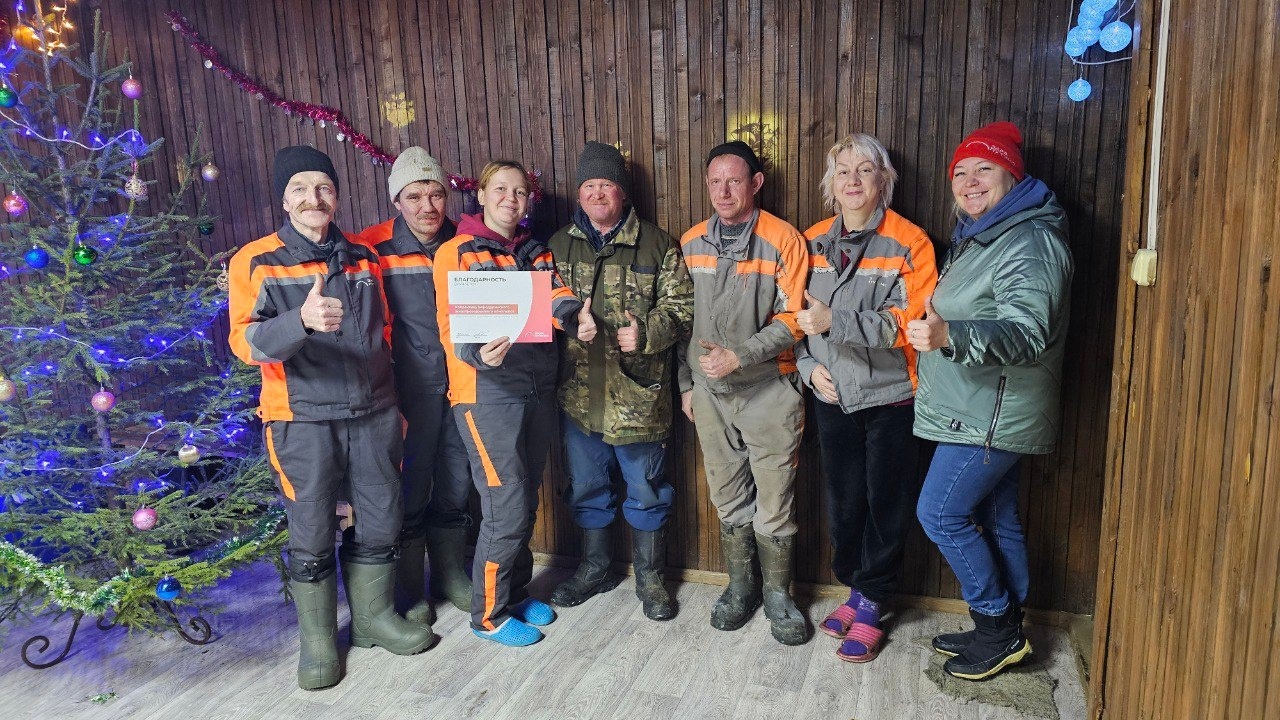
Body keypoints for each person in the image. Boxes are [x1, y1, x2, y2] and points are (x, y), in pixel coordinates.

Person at [228, 146, 434, 691]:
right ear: (284, 199)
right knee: (312, 526)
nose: (312, 198)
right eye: (299, 188)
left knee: (381, 515)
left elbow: (384, 332)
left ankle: (372, 620)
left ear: (336, 195)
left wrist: (394, 404)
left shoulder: (363, 256)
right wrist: (299, 320)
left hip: (374, 412)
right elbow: (245, 343)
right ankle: (318, 642)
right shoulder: (257, 260)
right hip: (301, 418)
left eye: (322, 187)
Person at [908, 121, 1073, 681]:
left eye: (985, 169)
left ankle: (998, 626)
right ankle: (1002, 631)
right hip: (981, 407)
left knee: (940, 513)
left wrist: (949, 335)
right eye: (961, 172)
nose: (970, 181)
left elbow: (1028, 331)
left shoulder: (1030, 240)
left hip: (994, 413)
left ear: (1013, 176)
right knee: (997, 517)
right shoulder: (985, 234)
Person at [433, 160, 598, 646]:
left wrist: (578, 320)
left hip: (535, 387)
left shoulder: (534, 249)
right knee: (504, 505)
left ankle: (513, 593)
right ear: (482, 195)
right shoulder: (457, 251)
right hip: (485, 394)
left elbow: (557, 297)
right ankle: (487, 616)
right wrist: (475, 353)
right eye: (501, 189)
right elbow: (449, 323)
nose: (511, 198)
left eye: (520, 191)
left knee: (524, 501)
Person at [795, 133, 938, 662]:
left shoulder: (911, 242)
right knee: (845, 501)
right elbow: (792, 319)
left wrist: (836, 321)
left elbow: (911, 324)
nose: (852, 180)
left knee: (886, 502)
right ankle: (855, 588)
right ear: (830, 184)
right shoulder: (810, 241)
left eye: (864, 170)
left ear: (884, 180)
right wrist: (809, 370)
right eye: (843, 171)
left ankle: (874, 598)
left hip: (892, 397)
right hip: (831, 395)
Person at [547, 142, 694, 620]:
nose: (597, 193)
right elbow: (543, 301)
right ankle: (595, 568)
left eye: (606, 184)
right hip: (578, 396)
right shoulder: (556, 246)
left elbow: (683, 309)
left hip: (638, 397)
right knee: (587, 486)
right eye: (588, 185)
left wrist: (647, 332)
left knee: (647, 490)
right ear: (578, 193)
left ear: (623, 193)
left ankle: (651, 580)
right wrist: (568, 319)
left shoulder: (658, 244)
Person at [678, 140, 811, 645]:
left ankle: (778, 596)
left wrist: (740, 355)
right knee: (727, 494)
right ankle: (741, 588)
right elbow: (681, 320)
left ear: (756, 183)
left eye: (734, 180)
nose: (723, 191)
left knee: (775, 498)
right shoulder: (691, 242)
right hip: (709, 395)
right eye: (715, 181)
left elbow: (794, 318)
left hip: (769, 390)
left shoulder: (783, 239)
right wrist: (686, 385)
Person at [359, 147, 473, 622]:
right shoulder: (372, 248)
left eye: (436, 195)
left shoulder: (468, 242)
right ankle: (409, 589)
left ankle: (450, 575)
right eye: (414, 196)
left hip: (463, 386)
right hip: (407, 393)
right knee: (408, 487)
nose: (428, 206)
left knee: (457, 481)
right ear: (396, 201)